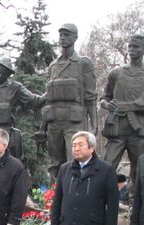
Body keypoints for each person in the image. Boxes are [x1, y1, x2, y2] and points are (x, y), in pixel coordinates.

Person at [100, 35, 144, 196]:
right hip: (116, 129)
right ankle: (103, 200)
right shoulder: (116, 73)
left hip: (138, 130)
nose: (132, 50)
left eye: (136, 47)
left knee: (140, 170)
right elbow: (104, 98)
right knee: (106, 166)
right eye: (130, 46)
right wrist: (107, 104)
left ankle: (136, 203)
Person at [39, 23, 97, 179]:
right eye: (61, 35)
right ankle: (53, 197)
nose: (63, 38)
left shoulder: (84, 63)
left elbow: (90, 96)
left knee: (76, 160)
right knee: (54, 163)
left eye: (67, 35)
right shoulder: (53, 66)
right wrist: (42, 128)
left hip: (74, 122)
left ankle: (76, 194)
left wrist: (94, 125)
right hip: (54, 122)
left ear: (75, 37)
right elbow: (48, 99)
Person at [0, 57, 43, 161]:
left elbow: (35, 101)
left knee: (7, 169)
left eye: (3, 73)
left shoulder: (15, 88)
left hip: (5, 137)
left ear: (8, 74)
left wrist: (50, 91)